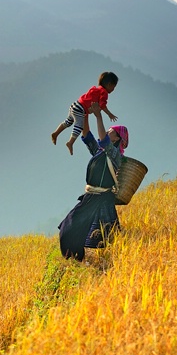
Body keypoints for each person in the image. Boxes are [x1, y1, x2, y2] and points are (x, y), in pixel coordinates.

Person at [58, 108, 129, 260]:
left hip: (101, 198)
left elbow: (103, 138)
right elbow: (87, 135)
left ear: (116, 139)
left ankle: (79, 259)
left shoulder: (116, 155)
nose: (108, 131)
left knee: (84, 230)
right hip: (90, 196)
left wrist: (98, 116)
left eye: (111, 131)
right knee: (69, 227)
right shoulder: (100, 151)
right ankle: (76, 259)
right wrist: (85, 116)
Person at [51, 72, 119, 155]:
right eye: (113, 87)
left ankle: (56, 133)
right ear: (109, 84)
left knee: (68, 122)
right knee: (78, 125)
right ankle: (70, 142)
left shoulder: (96, 90)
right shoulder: (103, 93)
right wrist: (109, 114)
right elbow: (102, 105)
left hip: (75, 104)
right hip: (80, 109)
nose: (113, 89)